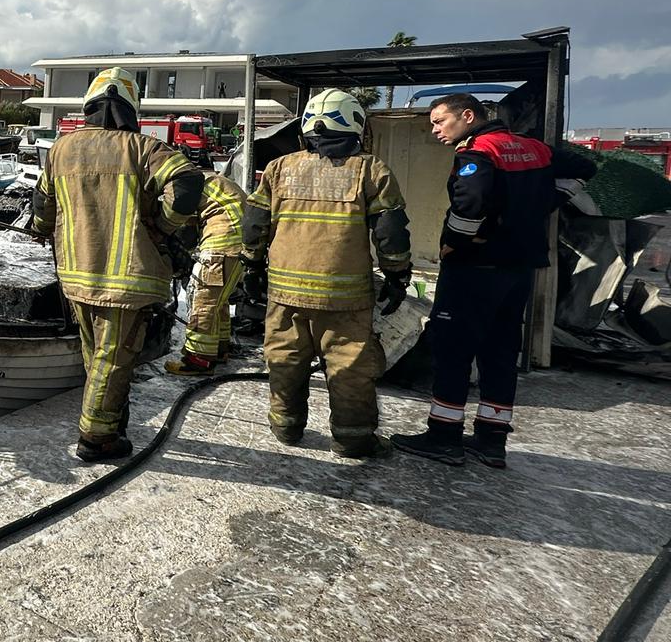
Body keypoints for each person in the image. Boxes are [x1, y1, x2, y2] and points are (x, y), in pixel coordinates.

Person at [391, 94, 596, 468]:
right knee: (500, 352)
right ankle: (491, 440)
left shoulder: (479, 153)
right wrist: (549, 200)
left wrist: (453, 245)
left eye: (440, 121)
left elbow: (469, 207)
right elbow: (585, 166)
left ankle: (443, 436)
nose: (435, 129)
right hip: (518, 270)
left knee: (452, 349)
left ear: (467, 116)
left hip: (474, 268)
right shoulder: (534, 149)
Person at [31, 67, 204, 461]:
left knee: (98, 356)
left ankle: (111, 424)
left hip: (77, 273)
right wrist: (162, 226)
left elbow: (42, 207)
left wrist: (47, 229)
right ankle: (97, 438)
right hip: (128, 276)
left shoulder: (61, 150)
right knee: (115, 357)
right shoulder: (142, 148)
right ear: (131, 108)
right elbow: (188, 185)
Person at [241, 88, 411, 458]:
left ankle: (286, 426)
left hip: (285, 293)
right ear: (355, 125)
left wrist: (251, 264)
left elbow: (254, 223)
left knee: (284, 358)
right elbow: (390, 232)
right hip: (344, 297)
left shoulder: (279, 168)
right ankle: (353, 438)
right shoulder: (371, 169)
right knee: (349, 366)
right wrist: (398, 275)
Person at [165, 169, 250, 375]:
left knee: (202, 300)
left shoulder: (183, 185)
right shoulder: (208, 180)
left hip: (221, 245)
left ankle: (197, 360)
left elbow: (178, 220)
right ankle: (219, 349)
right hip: (237, 245)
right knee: (218, 302)